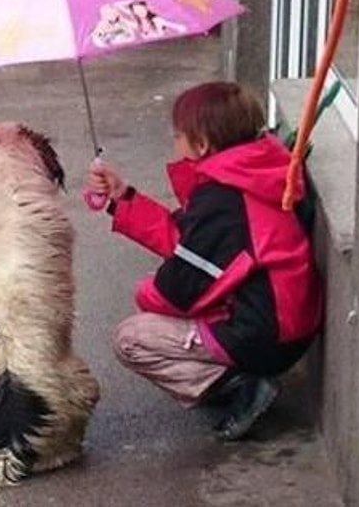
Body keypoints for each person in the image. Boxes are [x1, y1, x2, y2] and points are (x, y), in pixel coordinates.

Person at [87, 81, 323, 440]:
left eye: (178, 135)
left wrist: (147, 293)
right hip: (288, 323)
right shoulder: (253, 171)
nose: (174, 142)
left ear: (202, 144)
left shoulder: (223, 197)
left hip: (265, 334)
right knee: (164, 306)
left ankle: (241, 383)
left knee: (132, 338)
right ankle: (235, 377)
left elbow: (178, 289)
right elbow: (187, 239)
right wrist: (124, 198)